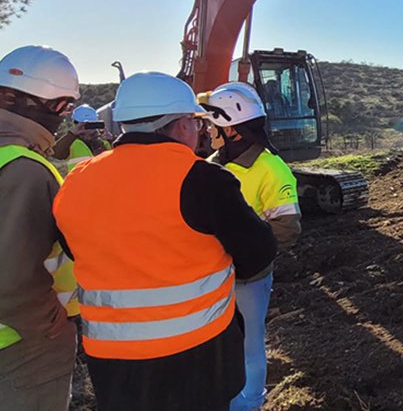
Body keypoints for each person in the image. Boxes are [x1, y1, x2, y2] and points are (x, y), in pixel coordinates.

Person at [53, 72, 277, 411]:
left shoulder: (76, 182)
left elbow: (76, 247)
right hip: (198, 358)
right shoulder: (204, 179)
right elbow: (258, 253)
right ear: (182, 124)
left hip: (113, 362)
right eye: (196, 122)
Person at [205, 82, 301, 411]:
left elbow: (287, 228)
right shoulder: (211, 165)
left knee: (249, 345)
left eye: (212, 123)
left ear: (229, 127)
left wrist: (242, 254)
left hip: (247, 278)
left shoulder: (271, 169)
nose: (208, 129)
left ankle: (248, 404)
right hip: (211, 276)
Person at [0, 45, 80, 410]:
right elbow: (13, 280)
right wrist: (50, 328)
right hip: (21, 344)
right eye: (63, 107)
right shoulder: (26, 170)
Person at [51, 104, 110, 172]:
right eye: (84, 125)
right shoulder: (71, 143)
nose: (87, 129)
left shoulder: (104, 141)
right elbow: (57, 154)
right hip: (79, 181)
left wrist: (111, 140)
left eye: (90, 124)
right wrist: (72, 133)